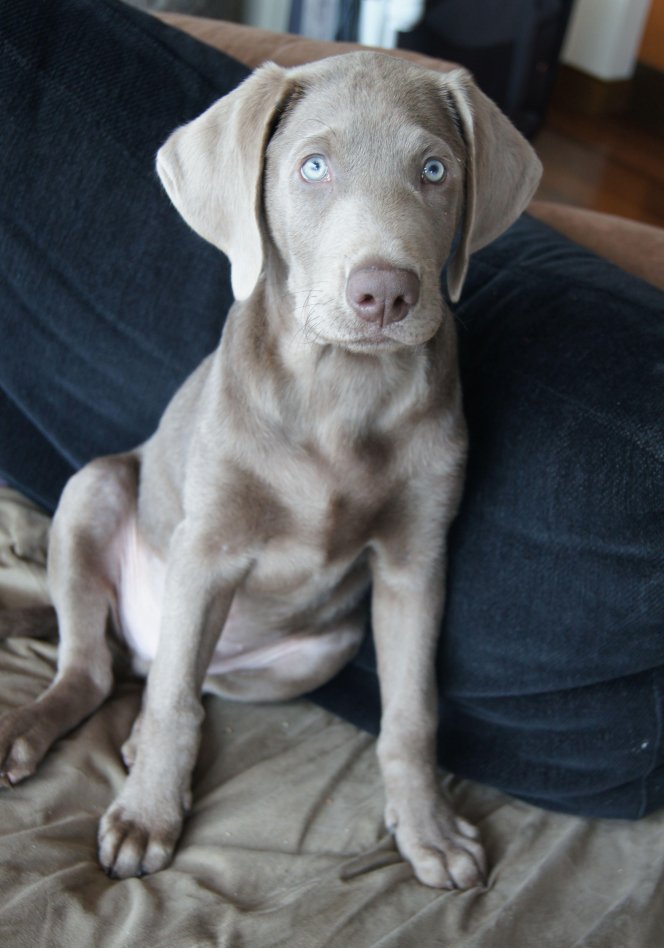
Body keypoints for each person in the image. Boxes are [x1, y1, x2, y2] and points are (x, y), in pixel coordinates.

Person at [1, 0, 663, 819]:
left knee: (393, 579)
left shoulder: (434, 415)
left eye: (431, 172)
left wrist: (411, 775)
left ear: (466, 200)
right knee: (96, 491)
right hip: (159, 568)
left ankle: (370, 766)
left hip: (290, 651)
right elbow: (200, 555)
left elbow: (409, 574)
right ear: (254, 188)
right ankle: (83, 675)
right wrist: (162, 757)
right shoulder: (238, 396)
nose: (379, 267)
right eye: (315, 168)